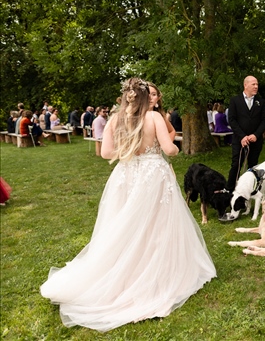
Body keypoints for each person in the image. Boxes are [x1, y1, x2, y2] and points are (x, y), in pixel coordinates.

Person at [40, 77, 216, 332]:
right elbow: (169, 149)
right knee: (155, 225)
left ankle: (122, 271)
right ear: (146, 97)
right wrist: (172, 150)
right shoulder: (154, 118)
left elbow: (106, 153)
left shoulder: (115, 119)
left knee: (123, 225)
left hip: (125, 175)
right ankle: (153, 274)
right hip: (153, 175)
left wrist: (130, 152)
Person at [226, 75, 265, 191]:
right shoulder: (235, 100)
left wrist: (256, 134)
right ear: (246, 85)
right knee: (236, 165)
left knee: (253, 167)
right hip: (239, 140)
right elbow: (232, 120)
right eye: (253, 84)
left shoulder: (261, 102)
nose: (256, 87)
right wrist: (242, 136)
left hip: (255, 141)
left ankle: (251, 190)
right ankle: (229, 191)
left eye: (257, 84)